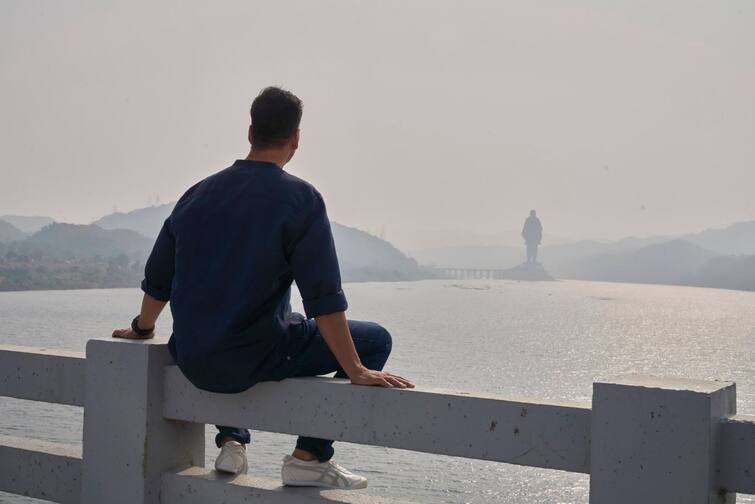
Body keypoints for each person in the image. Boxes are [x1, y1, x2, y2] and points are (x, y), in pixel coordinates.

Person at [112, 86, 414, 490]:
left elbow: (159, 280)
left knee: (230, 322)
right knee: (375, 340)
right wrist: (356, 368)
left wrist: (143, 329)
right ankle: (310, 456)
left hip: (193, 358)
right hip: (254, 356)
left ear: (250, 132)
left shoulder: (196, 195)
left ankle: (232, 440)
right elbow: (323, 300)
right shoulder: (301, 200)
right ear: (296, 138)